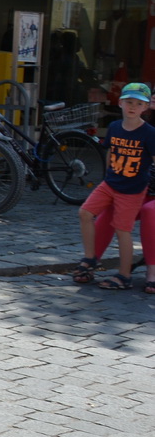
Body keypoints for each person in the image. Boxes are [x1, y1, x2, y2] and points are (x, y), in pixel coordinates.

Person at [76, 83, 153, 291]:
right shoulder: (115, 127)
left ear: (145, 107)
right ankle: (90, 258)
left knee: (122, 230)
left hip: (132, 190)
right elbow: (110, 151)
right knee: (85, 213)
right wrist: (109, 173)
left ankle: (124, 275)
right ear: (120, 103)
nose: (133, 107)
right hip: (110, 183)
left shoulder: (149, 133)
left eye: (139, 103)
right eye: (129, 102)